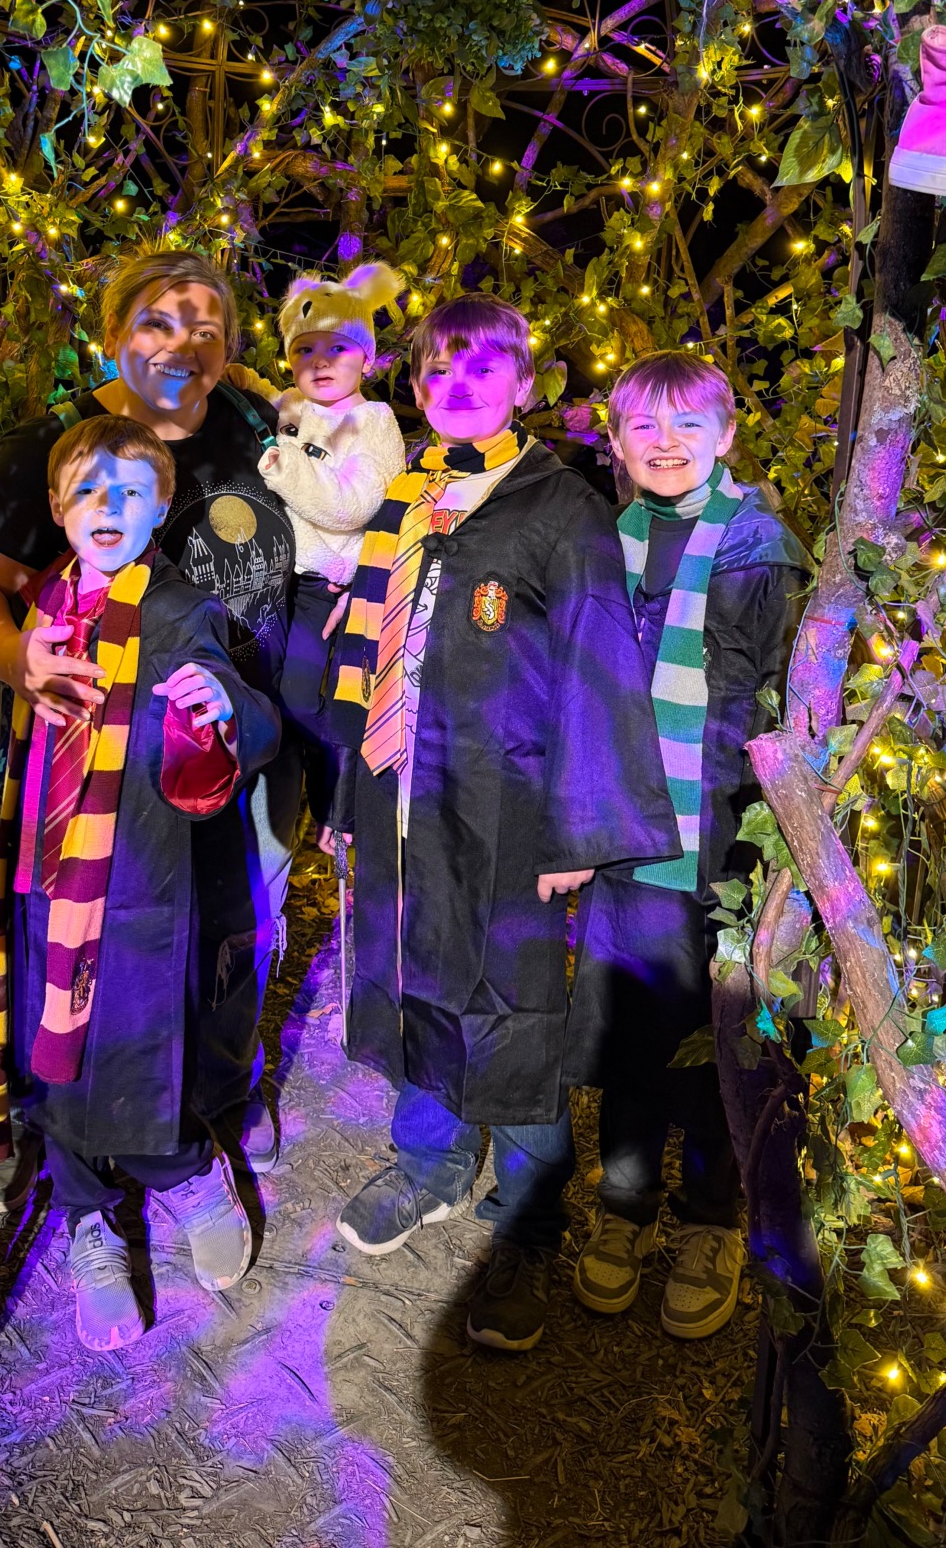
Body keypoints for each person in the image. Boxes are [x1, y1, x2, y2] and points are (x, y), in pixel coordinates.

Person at [324, 293, 680, 1354]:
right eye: (437, 369)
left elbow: (598, 662)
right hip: (401, 788)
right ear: (414, 386)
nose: (458, 387)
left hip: (511, 802)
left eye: (485, 368)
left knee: (512, 1003)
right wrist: (349, 794)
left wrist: (577, 830)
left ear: (525, 383)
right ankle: (429, 1158)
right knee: (411, 967)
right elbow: (365, 651)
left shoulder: (559, 507)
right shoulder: (406, 495)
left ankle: (525, 1218)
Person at [0, 249, 299, 1174]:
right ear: (111, 332)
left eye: (206, 330)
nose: (182, 346)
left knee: (235, 939)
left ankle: (215, 1098)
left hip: (247, 735)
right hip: (110, 770)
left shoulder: (253, 425)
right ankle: (98, 1142)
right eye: (157, 323)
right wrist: (13, 656)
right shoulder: (57, 447)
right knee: (114, 955)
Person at [0, 415, 280, 1350]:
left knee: (140, 1031)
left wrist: (226, 709)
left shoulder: (179, 609)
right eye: (89, 491)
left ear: (160, 508)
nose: (109, 507)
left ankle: (184, 1170)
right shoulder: (39, 605)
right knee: (50, 1036)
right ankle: (88, 1215)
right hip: (44, 865)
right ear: (58, 507)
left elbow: (247, 707)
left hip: (140, 869)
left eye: (132, 492)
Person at [567, 350, 805, 1339]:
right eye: (645, 426)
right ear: (616, 442)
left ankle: (712, 1219)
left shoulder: (756, 547)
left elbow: (762, 707)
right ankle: (624, 1207)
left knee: (718, 1042)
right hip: (626, 839)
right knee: (630, 1033)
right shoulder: (602, 540)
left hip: (719, 841)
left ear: (727, 434)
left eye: (688, 424)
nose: (666, 444)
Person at [227, 261, 408, 829]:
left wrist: (284, 468)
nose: (320, 362)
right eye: (305, 350)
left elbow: (356, 505)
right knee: (278, 694)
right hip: (282, 584)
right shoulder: (294, 409)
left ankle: (338, 809)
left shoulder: (372, 421)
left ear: (367, 358)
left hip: (331, 587)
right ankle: (296, 808)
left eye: (338, 348)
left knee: (310, 700)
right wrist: (242, 380)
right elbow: (269, 401)